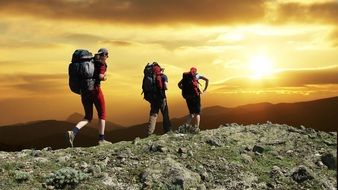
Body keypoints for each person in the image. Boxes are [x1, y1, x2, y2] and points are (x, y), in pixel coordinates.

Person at [67, 48, 110, 147]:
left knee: (88, 117)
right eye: (107, 55)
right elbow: (100, 76)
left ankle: (73, 132)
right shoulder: (101, 64)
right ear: (103, 55)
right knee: (102, 114)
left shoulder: (91, 61)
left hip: (84, 92)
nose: (107, 57)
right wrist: (105, 77)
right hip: (95, 91)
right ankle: (101, 139)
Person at [144, 62, 172, 136]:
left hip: (153, 97)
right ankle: (167, 131)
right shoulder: (163, 76)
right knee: (165, 114)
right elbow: (166, 87)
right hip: (161, 97)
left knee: (153, 114)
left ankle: (150, 133)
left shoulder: (150, 75)